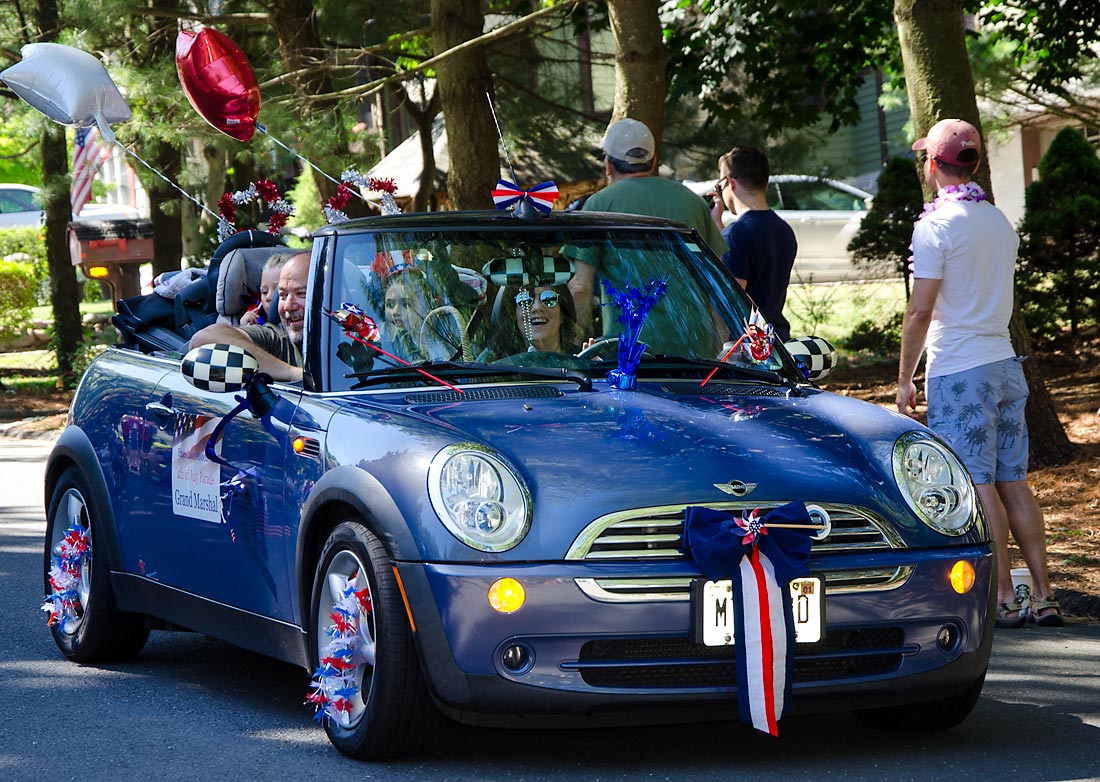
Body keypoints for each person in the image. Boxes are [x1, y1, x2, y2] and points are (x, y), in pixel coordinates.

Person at [895, 118, 1062, 629]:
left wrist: (905, 377)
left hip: (960, 368)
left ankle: (1003, 598)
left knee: (979, 483)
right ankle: (1044, 593)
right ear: (972, 163)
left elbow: (920, 311)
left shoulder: (935, 227)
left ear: (931, 164)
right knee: (1014, 480)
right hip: (1005, 364)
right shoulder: (998, 221)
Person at [573, 119, 727, 329]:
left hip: (626, 352)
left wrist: (578, 342)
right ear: (653, 161)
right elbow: (718, 282)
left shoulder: (598, 205)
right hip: (694, 351)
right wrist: (718, 347)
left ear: (608, 166)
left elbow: (580, 288)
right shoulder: (693, 201)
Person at [711, 146, 797, 342]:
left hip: (748, 347)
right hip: (777, 340)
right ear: (765, 184)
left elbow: (732, 301)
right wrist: (719, 227)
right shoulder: (783, 229)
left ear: (731, 183)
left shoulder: (737, 234)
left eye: (720, 187)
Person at [189, 251, 310, 383]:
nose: (288, 306)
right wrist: (294, 374)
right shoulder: (276, 339)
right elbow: (202, 340)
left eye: (301, 293)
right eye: (282, 295)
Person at [487, 284, 579, 358]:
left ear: (562, 314)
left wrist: (590, 368)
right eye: (525, 299)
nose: (537, 308)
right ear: (514, 315)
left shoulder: (580, 360)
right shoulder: (494, 363)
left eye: (549, 298)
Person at [240, 254, 288, 326]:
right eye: (264, 292)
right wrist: (245, 328)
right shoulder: (256, 324)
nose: (268, 297)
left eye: (276, 291)